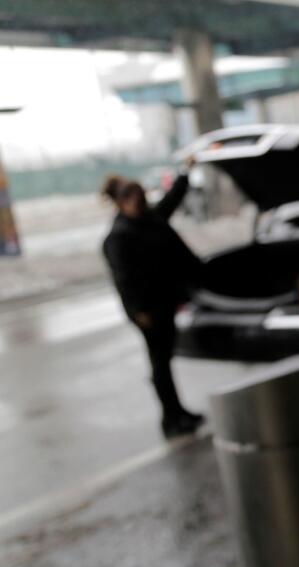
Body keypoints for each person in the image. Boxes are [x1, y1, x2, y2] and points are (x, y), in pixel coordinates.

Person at [101, 161, 205, 438]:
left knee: (165, 360)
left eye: (139, 197)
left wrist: (185, 173)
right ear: (121, 203)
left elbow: (173, 198)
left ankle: (178, 413)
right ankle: (170, 419)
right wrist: (138, 311)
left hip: (165, 301)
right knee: (160, 363)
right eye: (131, 199)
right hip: (147, 310)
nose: (137, 202)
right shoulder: (119, 237)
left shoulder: (150, 220)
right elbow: (123, 281)